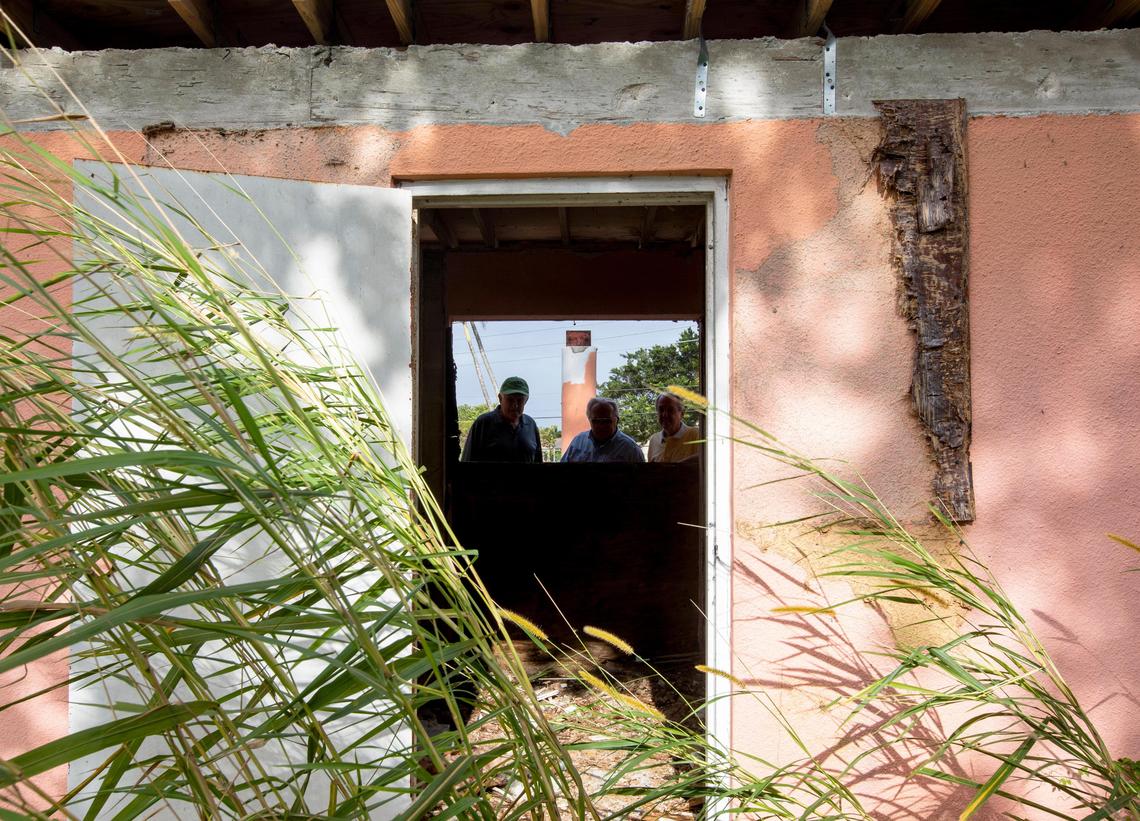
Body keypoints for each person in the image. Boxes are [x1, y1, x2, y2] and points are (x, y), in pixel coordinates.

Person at [461, 376, 543, 463]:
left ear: (526, 401)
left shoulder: (530, 425)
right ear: (500, 398)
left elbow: (538, 463)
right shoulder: (483, 424)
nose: (515, 405)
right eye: (510, 400)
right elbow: (467, 462)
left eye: (520, 400)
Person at [560, 397, 645, 463]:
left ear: (617, 420)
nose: (601, 426)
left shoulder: (630, 449)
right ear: (589, 420)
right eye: (596, 421)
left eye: (606, 421)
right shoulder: (578, 442)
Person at [647, 393, 700, 463]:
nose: (665, 414)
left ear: (682, 414)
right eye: (661, 410)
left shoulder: (696, 435)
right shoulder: (654, 440)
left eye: (670, 410)